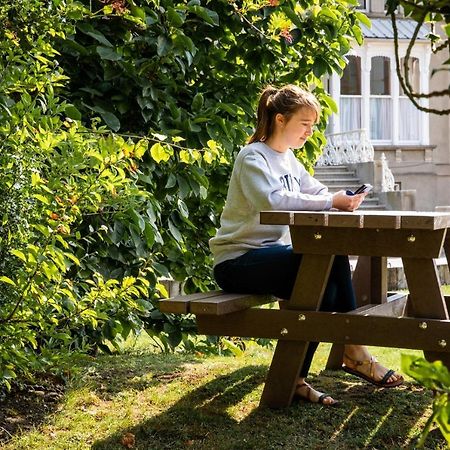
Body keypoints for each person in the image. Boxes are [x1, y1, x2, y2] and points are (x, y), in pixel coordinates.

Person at [209, 84, 403, 406]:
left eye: (313, 126)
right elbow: (272, 201)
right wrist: (331, 201)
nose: (310, 133)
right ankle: (353, 351)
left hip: (273, 260)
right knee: (322, 263)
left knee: (322, 287)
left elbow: (315, 190)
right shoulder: (253, 157)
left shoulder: (290, 160)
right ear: (281, 120)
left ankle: (298, 377)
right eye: (305, 124)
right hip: (238, 261)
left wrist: (345, 198)